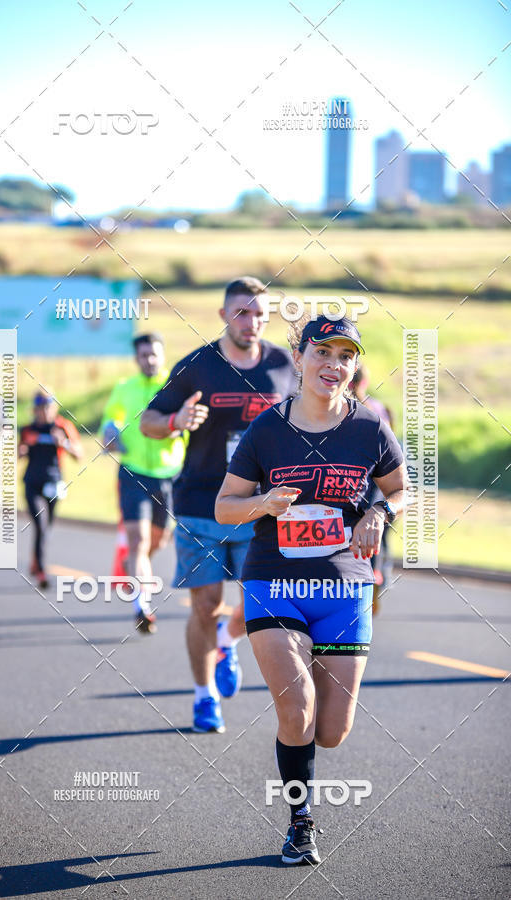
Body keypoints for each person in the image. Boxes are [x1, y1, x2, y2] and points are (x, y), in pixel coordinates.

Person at [215, 315, 406, 864]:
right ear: (298, 358)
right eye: (322, 352)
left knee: (331, 731)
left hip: (344, 590)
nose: (333, 364)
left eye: (345, 356)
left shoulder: (369, 426)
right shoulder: (267, 429)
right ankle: (301, 825)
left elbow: (402, 489)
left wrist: (379, 512)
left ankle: (304, 779)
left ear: (354, 367)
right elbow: (224, 508)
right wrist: (262, 503)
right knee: (296, 712)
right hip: (274, 581)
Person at [141, 276, 299, 733]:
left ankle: (228, 643)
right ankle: (204, 696)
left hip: (261, 506)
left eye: (260, 315)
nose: (251, 322)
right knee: (206, 605)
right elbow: (148, 421)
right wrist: (176, 420)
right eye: (242, 313)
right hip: (201, 504)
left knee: (259, 603)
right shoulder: (197, 366)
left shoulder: (283, 365)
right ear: (223, 315)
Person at [100, 333, 185, 634]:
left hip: (170, 474)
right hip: (133, 472)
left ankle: (133, 569)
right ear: (136, 358)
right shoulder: (125, 387)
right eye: (143, 355)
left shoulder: (176, 386)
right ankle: (142, 606)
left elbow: (191, 422)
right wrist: (108, 432)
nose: (149, 360)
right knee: (138, 541)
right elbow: (110, 418)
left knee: (158, 541)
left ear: (162, 355)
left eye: (153, 354)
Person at [18, 393, 83, 589]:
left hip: (54, 484)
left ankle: (35, 561)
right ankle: (41, 570)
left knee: (47, 528)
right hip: (32, 484)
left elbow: (79, 455)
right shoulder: (28, 429)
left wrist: (63, 443)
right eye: (41, 408)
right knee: (41, 524)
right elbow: (18, 453)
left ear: (54, 408)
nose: (45, 412)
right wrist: (22, 450)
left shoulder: (63, 427)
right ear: (35, 410)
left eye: (48, 407)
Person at [349, 364, 396, 615]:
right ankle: (377, 575)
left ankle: (367, 578)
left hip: (357, 485)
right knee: (380, 535)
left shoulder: (344, 409)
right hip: (380, 484)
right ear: (365, 382)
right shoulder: (379, 409)